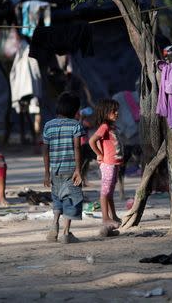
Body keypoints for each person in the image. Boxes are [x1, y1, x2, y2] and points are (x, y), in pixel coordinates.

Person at [43, 91, 86, 244]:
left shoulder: (48, 125)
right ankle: (66, 233)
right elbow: (77, 148)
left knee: (57, 197)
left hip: (55, 170)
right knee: (71, 198)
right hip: (70, 169)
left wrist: (46, 173)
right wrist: (78, 170)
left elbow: (45, 151)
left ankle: (54, 225)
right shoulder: (76, 125)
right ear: (74, 110)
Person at [88, 99, 123, 233]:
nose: (116, 113)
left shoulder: (112, 127)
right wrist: (100, 154)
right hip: (108, 164)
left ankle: (113, 215)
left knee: (110, 192)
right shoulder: (104, 127)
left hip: (114, 164)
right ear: (105, 113)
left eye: (116, 110)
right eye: (113, 111)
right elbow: (92, 141)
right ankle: (105, 218)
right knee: (105, 191)